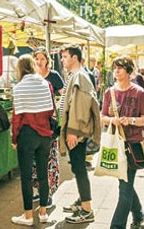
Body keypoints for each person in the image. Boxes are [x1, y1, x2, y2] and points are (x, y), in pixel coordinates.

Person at [101, 56, 144, 229]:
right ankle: (138, 214)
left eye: (120, 68)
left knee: (124, 187)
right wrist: (112, 120)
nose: (116, 71)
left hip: (132, 145)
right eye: (115, 68)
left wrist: (131, 121)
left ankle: (116, 226)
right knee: (125, 183)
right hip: (116, 144)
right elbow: (102, 117)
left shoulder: (139, 93)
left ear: (129, 71)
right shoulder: (109, 93)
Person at [10, 55, 54, 226]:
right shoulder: (46, 84)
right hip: (45, 135)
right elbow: (51, 111)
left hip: (27, 135)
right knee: (43, 175)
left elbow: (17, 118)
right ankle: (43, 213)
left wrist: (14, 138)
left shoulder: (19, 87)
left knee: (26, 177)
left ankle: (28, 216)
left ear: (20, 69)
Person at [59, 45, 101, 224]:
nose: (62, 60)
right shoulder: (75, 76)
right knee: (77, 168)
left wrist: (73, 131)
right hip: (74, 130)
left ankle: (87, 210)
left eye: (65, 56)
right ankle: (82, 200)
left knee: (80, 168)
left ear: (75, 58)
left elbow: (81, 108)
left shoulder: (80, 76)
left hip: (76, 132)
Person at [31, 48, 64, 206]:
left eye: (42, 58)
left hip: (50, 122)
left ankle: (49, 192)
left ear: (47, 60)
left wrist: (56, 106)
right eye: (36, 58)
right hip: (35, 122)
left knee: (49, 158)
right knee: (35, 160)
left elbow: (63, 95)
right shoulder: (31, 76)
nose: (39, 61)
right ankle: (37, 191)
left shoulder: (54, 76)